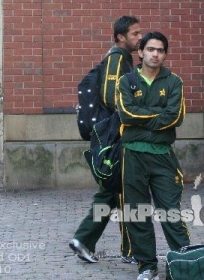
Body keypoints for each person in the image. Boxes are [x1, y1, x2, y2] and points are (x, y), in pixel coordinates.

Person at [116, 31, 190, 280]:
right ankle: (147, 266)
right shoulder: (126, 81)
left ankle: (184, 262)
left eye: (160, 50)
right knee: (137, 213)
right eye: (150, 49)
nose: (155, 54)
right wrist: (157, 118)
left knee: (171, 211)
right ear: (140, 52)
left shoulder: (174, 82)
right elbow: (126, 114)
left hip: (163, 156)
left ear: (165, 54)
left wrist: (143, 122)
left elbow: (175, 117)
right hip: (133, 156)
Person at [69, 15, 142, 264]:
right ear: (121, 37)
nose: (139, 37)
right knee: (120, 189)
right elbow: (112, 96)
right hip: (116, 135)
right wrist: (132, 112)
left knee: (114, 190)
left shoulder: (124, 59)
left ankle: (88, 240)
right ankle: (121, 248)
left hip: (115, 135)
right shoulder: (117, 58)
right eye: (135, 34)